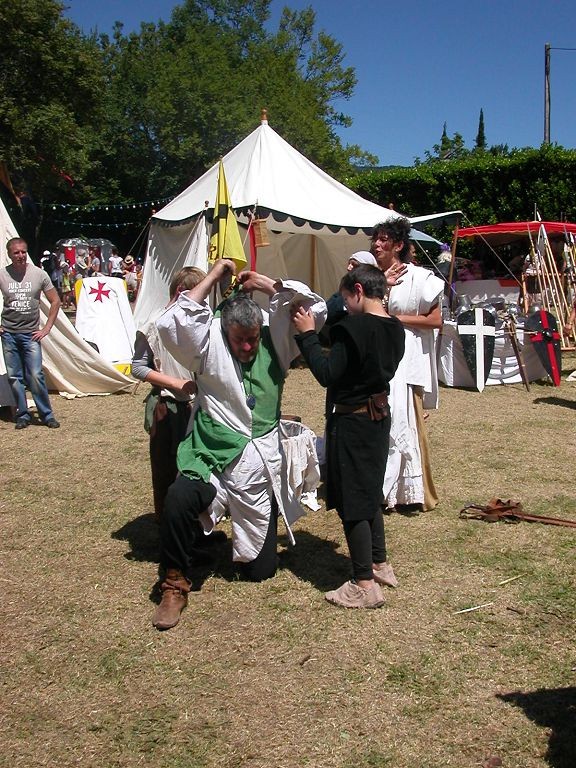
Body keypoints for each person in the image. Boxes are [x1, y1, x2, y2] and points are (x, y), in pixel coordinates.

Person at [151, 259, 326, 630]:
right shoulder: (208, 340)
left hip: (256, 465)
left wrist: (263, 282)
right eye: (239, 340)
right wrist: (215, 274)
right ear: (224, 330)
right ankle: (174, 582)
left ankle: (237, 537)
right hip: (210, 455)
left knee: (261, 572)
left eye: (252, 338)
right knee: (179, 498)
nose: (247, 346)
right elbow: (170, 322)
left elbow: (313, 308)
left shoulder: (275, 339)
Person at [292, 265, 405, 608]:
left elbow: (327, 373)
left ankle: (363, 584)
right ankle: (379, 563)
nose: (343, 305)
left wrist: (307, 335)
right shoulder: (395, 327)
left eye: (344, 298)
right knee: (368, 490)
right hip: (377, 417)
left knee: (355, 499)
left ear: (357, 290)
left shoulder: (353, 327)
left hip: (354, 422)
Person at [371, 217, 444, 514]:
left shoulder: (420, 278)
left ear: (399, 245)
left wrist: (394, 320)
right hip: (378, 356)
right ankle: (380, 488)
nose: (377, 245)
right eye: (375, 239)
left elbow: (435, 320)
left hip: (407, 355)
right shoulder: (371, 276)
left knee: (405, 420)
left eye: (384, 240)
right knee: (381, 420)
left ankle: (408, 492)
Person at [131, 267, 207, 520]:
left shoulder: (195, 322)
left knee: (195, 468)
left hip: (197, 407)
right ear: (181, 292)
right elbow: (138, 367)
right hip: (168, 407)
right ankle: (169, 530)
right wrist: (175, 383)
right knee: (167, 470)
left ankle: (195, 526)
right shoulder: (155, 323)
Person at [0, 238, 61, 429]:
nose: (20, 255)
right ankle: (22, 414)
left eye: (23, 252)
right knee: (14, 377)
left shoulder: (39, 274)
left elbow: (55, 300)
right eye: (16, 252)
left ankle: (46, 415)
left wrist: (46, 328)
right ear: (9, 254)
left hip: (31, 334)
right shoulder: (3, 274)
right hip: (9, 333)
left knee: (35, 374)